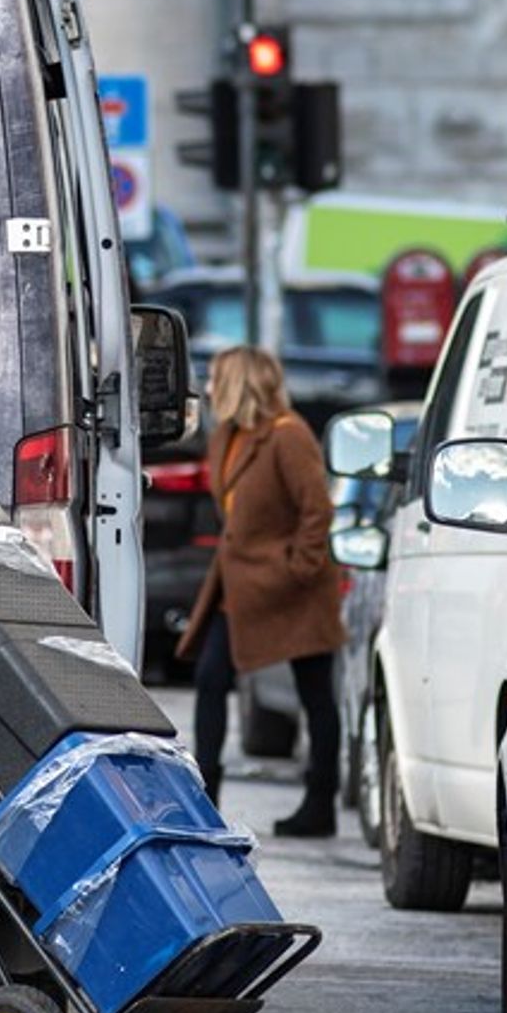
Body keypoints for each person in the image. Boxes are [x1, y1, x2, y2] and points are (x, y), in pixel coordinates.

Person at [174, 346, 347, 838]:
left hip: (293, 586)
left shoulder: (287, 436)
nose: (207, 388)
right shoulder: (227, 435)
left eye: (215, 379)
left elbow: (318, 510)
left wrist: (298, 568)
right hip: (239, 583)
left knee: (316, 692)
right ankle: (206, 795)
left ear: (238, 383)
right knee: (210, 677)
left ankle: (320, 802)